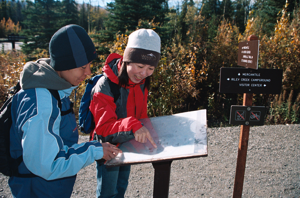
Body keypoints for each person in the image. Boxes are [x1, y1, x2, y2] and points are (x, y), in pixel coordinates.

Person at [8, 24, 121, 198]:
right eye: (83, 67)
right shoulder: (42, 101)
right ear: (63, 65)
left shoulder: (56, 90)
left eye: (89, 65)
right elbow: (48, 163)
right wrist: (94, 150)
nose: (89, 72)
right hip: (36, 191)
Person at [90, 28, 161, 198]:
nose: (144, 73)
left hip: (128, 144)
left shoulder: (142, 83)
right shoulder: (105, 85)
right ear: (127, 60)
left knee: (121, 188)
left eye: (151, 68)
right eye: (140, 66)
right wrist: (133, 125)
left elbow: (142, 116)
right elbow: (103, 128)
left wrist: (155, 139)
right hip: (108, 149)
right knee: (108, 193)